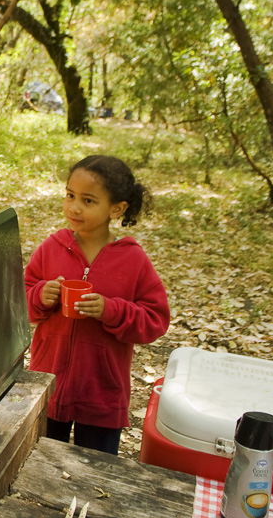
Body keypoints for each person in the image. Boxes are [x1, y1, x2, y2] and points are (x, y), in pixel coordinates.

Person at [24, 155, 170, 455]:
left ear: (116, 209)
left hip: (102, 393)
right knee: (39, 463)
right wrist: (41, 295)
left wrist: (111, 310)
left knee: (97, 471)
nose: (73, 207)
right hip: (47, 385)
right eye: (70, 195)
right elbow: (18, 302)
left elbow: (155, 320)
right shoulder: (51, 248)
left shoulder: (132, 260)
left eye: (88, 201)